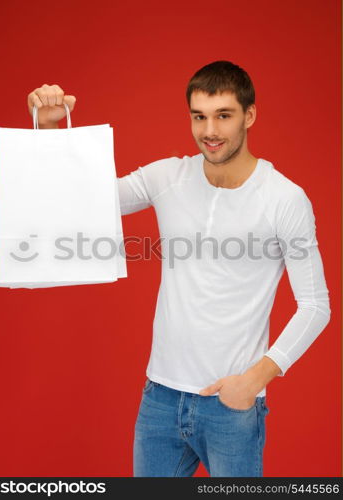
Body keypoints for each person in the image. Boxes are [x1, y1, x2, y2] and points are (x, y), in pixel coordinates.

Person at [27, 60, 331, 477]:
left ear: (250, 115)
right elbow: (80, 198)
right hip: (160, 400)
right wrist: (46, 130)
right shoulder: (168, 176)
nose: (210, 130)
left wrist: (254, 380)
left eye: (224, 116)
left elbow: (316, 306)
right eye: (199, 116)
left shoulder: (285, 199)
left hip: (231, 408)